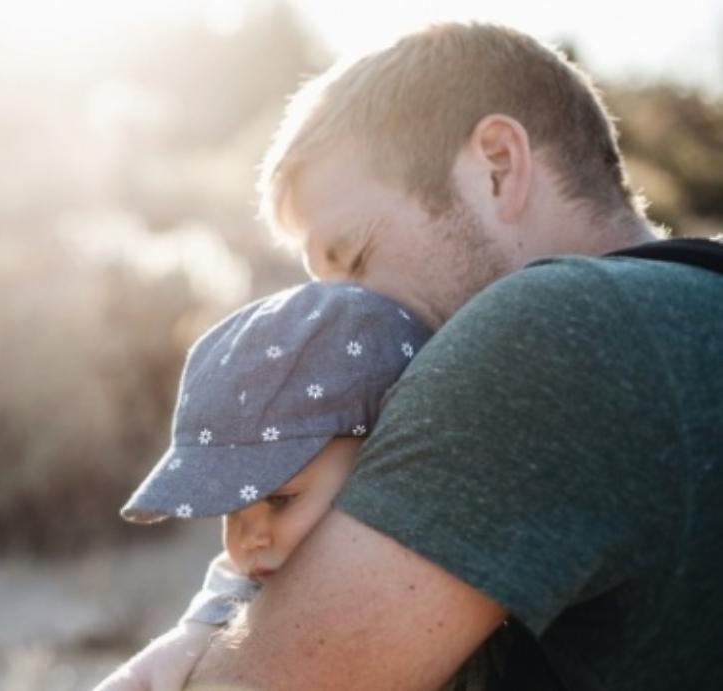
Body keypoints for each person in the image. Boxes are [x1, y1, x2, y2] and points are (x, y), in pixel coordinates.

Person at [173, 21, 723, 690]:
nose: (342, 321)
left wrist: (202, 633)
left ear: (497, 164)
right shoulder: (692, 303)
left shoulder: (545, 331)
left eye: (359, 257)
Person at [93, 281, 431, 691]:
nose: (247, 539)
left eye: (280, 499)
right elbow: (217, 598)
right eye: (232, 508)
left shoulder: (431, 569)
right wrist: (187, 642)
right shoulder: (257, 577)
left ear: (380, 455)